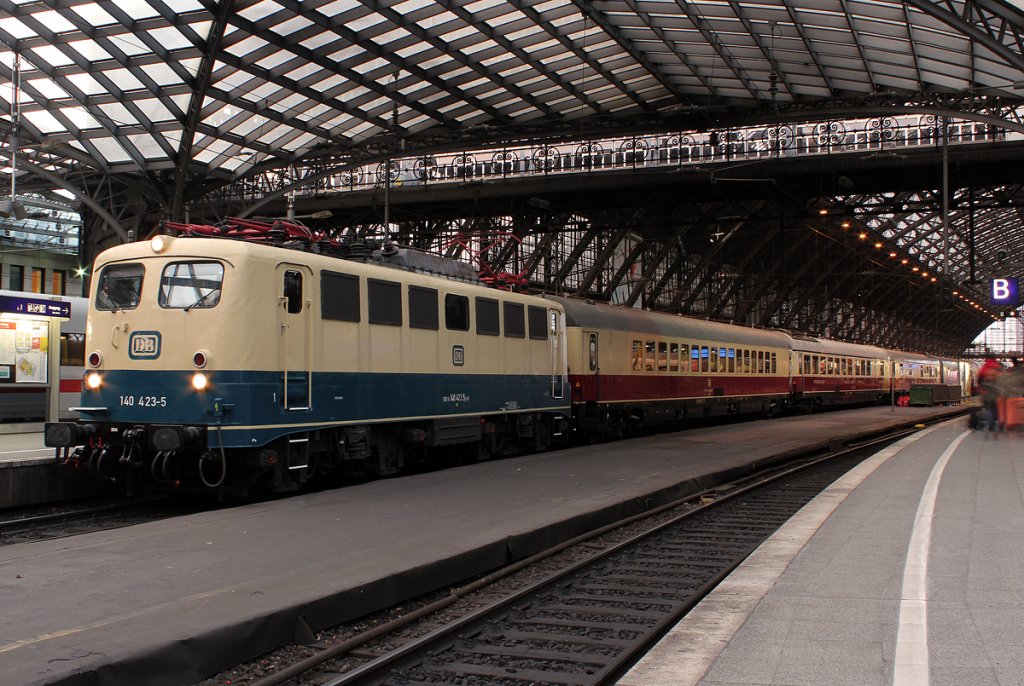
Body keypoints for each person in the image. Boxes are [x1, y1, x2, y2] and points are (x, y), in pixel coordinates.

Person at [977, 355, 1005, 431]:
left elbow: (979, 380)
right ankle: (1000, 425)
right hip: (997, 392)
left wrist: (981, 389)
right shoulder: (998, 366)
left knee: (989, 409)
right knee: (998, 409)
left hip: (986, 392)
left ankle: (991, 425)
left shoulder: (984, 367)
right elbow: (1003, 379)